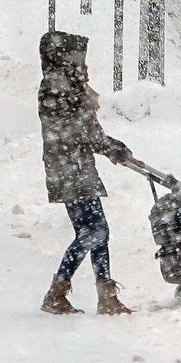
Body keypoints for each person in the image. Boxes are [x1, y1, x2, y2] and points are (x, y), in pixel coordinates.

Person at [38, 30, 134, 316]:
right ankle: (74, 293)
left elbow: (84, 130)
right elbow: (81, 131)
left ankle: (90, 294)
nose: (85, 65)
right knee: (96, 231)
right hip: (70, 170)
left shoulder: (66, 84)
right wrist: (110, 147)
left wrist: (110, 146)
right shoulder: (59, 86)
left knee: (93, 232)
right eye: (80, 58)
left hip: (73, 168)